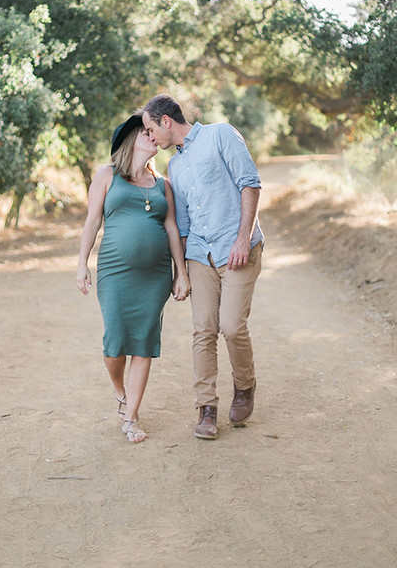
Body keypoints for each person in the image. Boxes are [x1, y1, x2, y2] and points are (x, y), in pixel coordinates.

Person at [142, 94, 264, 440]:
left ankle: (244, 387)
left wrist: (243, 238)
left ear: (166, 121)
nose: (151, 138)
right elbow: (181, 225)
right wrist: (181, 272)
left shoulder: (220, 134)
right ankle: (206, 409)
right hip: (199, 254)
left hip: (237, 248)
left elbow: (250, 184)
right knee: (203, 330)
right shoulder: (174, 167)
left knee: (231, 326)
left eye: (151, 130)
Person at [76, 113, 190, 444]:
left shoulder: (163, 185)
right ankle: (119, 390)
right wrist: (82, 263)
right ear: (129, 139)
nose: (153, 137)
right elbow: (92, 220)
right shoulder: (107, 175)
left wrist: (181, 273)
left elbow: (172, 228)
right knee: (115, 342)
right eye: (145, 132)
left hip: (155, 277)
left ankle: (131, 417)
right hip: (115, 272)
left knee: (143, 342)